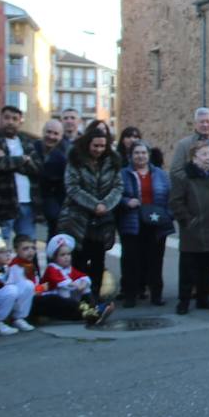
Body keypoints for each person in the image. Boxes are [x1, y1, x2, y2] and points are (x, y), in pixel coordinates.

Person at [58, 126, 123, 303]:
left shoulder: (113, 160)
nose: (99, 150)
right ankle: (79, 297)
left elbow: (118, 186)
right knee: (79, 259)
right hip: (78, 219)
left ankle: (94, 296)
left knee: (98, 260)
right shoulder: (76, 159)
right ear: (88, 144)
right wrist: (94, 204)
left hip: (102, 220)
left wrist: (105, 205)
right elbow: (72, 187)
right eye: (96, 146)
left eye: (102, 146)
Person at [169, 141, 209, 315]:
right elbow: (176, 202)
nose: (208, 158)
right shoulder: (184, 177)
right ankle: (183, 301)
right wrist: (187, 221)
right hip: (192, 231)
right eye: (204, 155)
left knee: (207, 269)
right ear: (194, 158)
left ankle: (203, 298)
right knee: (188, 270)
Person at [117, 141, 173, 307]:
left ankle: (156, 295)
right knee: (131, 261)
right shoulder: (122, 174)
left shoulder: (160, 174)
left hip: (156, 223)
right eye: (136, 153)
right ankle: (130, 296)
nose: (140, 156)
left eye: (143, 153)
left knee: (155, 261)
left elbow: (170, 196)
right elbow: (115, 195)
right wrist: (127, 201)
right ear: (131, 156)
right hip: (132, 222)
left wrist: (168, 215)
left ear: (148, 155)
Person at [0, 104, 42, 243]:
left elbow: (36, 168)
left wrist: (10, 161)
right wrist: (23, 159)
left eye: (15, 119)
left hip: (27, 203)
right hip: (3, 203)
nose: (10, 122)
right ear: (1, 119)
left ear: (20, 121)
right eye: (7, 118)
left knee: (28, 245)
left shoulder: (26, 141)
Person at [40, 234, 112, 326]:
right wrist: (76, 285)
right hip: (51, 299)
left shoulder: (68, 268)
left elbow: (81, 276)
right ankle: (90, 313)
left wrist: (83, 283)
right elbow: (61, 282)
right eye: (62, 255)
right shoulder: (51, 268)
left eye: (68, 254)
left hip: (65, 298)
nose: (66, 257)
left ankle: (93, 307)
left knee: (83, 285)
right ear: (54, 258)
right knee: (65, 291)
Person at [37, 119, 68, 238]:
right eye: (48, 132)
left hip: (54, 203)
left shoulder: (64, 156)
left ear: (61, 136)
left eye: (56, 134)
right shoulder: (32, 148)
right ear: (43, 132)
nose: (51, 136)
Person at [170, 108, 209, 178]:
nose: (205, 125)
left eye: (208, 121)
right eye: (202, 122)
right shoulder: (184, 145)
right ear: (195, 125)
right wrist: (193, 182)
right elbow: (175, 171)